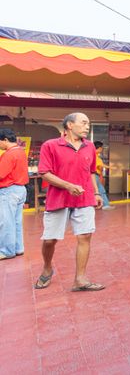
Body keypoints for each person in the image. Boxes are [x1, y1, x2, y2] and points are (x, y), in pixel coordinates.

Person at [34, 113, 105, 291]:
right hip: (58, 199)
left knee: (85, 236)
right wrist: (68, 186)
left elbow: (91, 172)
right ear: (69, 125)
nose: (87, 126)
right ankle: (47, 268)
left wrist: (96, 193)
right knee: (50, 240)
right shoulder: (50, 145)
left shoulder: (89, 146)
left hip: (85, 198)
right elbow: (44, 172)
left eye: (88, 123)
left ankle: (80, 279)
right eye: (83, 123)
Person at [0, 129, 29, 260]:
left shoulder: (9, 154)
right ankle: (18, 248)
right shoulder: (20, 151)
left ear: (5, 140)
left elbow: (0, 174)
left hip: (9, 190)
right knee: (16, 221)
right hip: (20, 189)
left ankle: (7, 251)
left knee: (6, 222)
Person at [93, 141, 114, 210]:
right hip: (94, 176)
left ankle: (103, 204)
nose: (102, 150)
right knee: (101, 190)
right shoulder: (95, 156)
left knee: (99, 190)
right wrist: (111, 167)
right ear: (98, 148)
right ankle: (105, 205)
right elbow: (101, 165)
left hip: (95, 176)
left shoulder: (95, 156)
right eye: (101, 148)